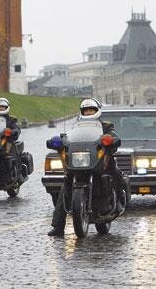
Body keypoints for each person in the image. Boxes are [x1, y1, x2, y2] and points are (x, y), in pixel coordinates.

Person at [48, 98, 127, 237]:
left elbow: (114, 137)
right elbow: (67, 138)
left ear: (97, 111)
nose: (89, 112)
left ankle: (119, 201)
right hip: (79, 161)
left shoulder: (106, 126)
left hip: (101, 162)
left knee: (115, 173)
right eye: (86, 110)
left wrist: (112, 140)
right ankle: (58, 226)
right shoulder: (76, 127)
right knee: (65, 186)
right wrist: (59, 141)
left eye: (91, 110)